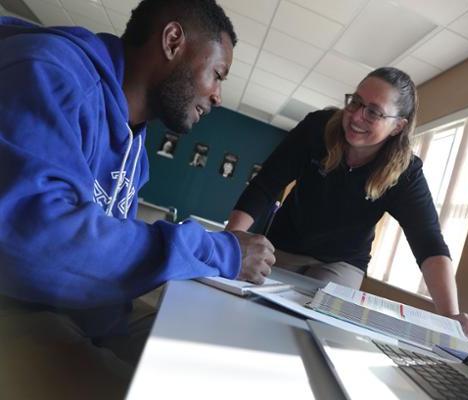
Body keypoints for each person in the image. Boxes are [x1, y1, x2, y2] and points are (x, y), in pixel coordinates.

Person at [0, 1, 274, 398]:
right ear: (173, 40)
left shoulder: (136, 150)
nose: (217, 96)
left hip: (79, 315)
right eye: (218, 74)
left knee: (216, 368)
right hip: (17, 309)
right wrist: (221, 250)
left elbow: (103, 258)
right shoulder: (50, 71)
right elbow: (38, 245)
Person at [226, 67, 468, 340]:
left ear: (398, 125)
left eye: (374, 112)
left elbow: (429, 243)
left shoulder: (405, 172)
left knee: (311, 328)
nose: (356, 116)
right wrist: (232, 242)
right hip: (284, 244)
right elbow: (265, 185)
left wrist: (450, 317)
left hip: (342, 262)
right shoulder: (318, 128)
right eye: (355, 102)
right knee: (256, 312)